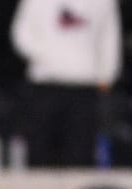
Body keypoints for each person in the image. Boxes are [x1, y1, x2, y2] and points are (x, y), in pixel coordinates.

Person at [11, 0, 121, 168]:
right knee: (40, 154)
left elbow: (110, 37)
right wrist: (46, 57)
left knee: (80, 156)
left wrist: (107, 75)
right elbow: (21, 33)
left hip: (85, 85)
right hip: (45, 84)